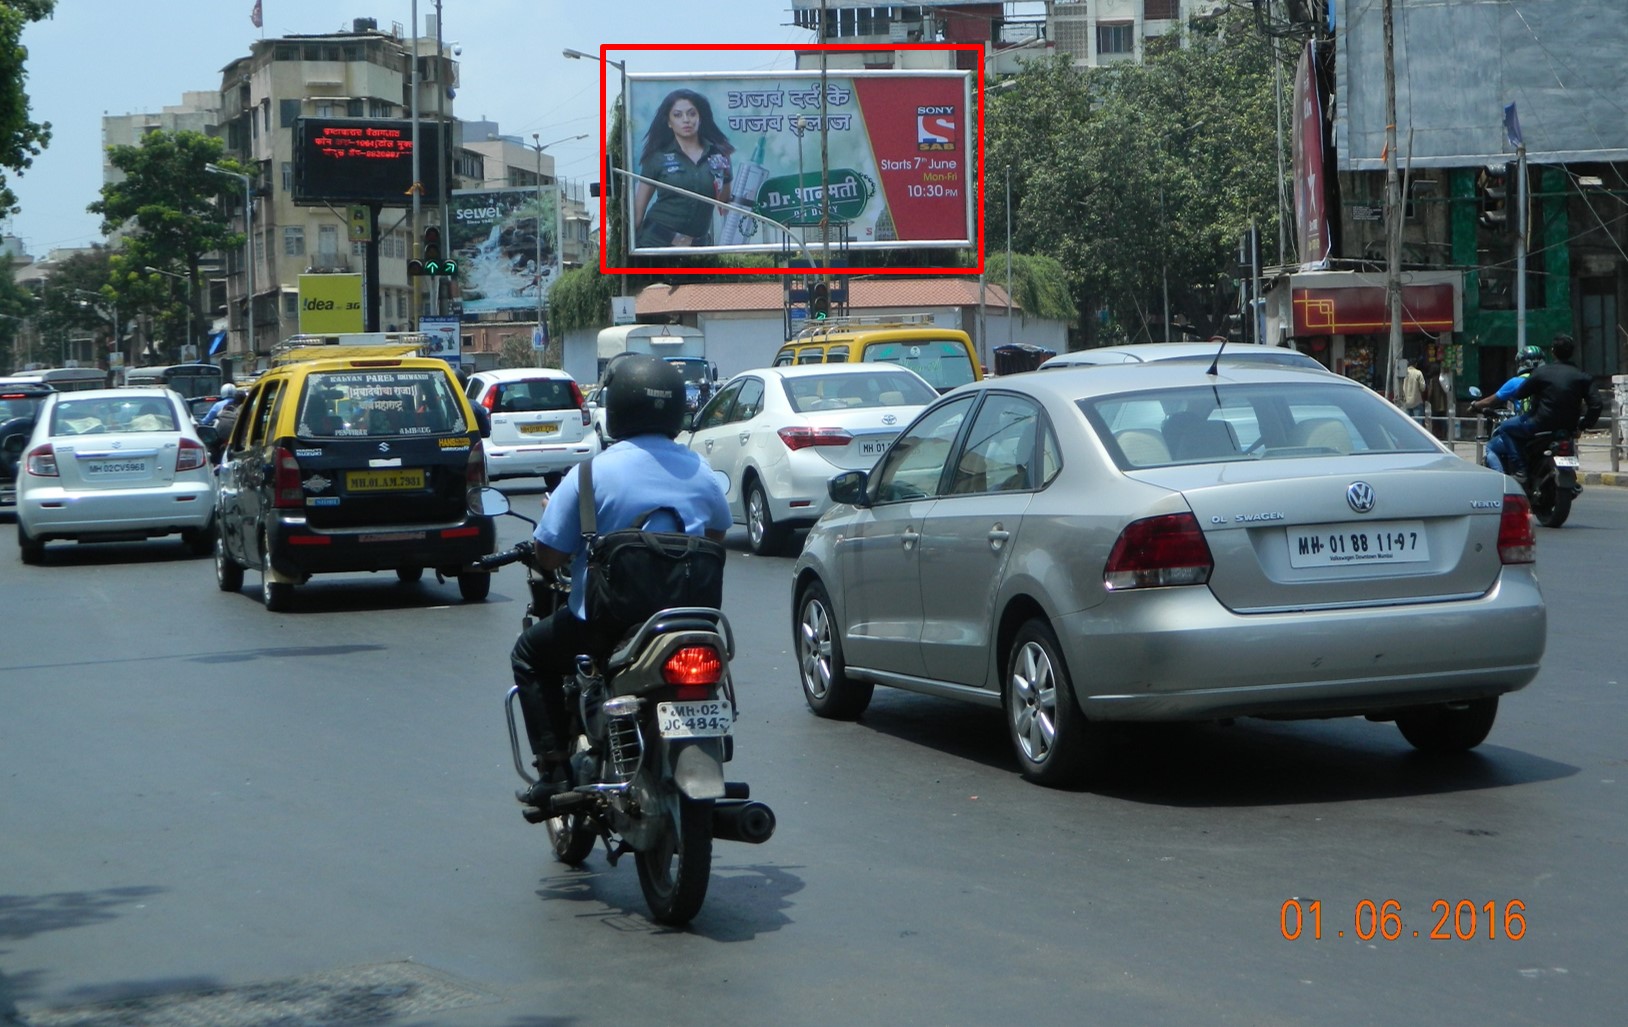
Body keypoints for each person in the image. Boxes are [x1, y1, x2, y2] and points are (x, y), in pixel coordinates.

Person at [509, 354, 731, 808]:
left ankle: (553, 769)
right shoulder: (700, 471)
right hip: (689, 622)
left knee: (529, 653)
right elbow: (715, 534)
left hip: (608, 624)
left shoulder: (591, 474)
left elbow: (549, 554)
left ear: (617, 408)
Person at [1471, 334, 1604, 479]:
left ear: (1553, 352)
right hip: (1568, 427)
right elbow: (1596, 405)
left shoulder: (1541, 373)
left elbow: (1521, 393)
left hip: (1539, 424)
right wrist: (1582, 426)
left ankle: (1521, 470)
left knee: (1505, 428)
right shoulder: (1582, 376)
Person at [632, 88, 735, 249]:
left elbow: (723, 203)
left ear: (700, 117)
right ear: (669, 122)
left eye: (692, 114)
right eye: (678, 115)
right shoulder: (657, 157)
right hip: (655, 243)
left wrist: (725, 174)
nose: (686, 120)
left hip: (698, 249)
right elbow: (639, 211)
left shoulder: (718, 156)